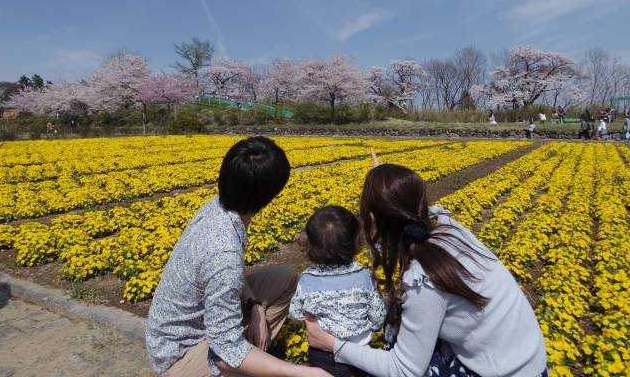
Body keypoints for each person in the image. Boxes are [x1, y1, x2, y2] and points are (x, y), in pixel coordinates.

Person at [305, 159, 548, 377]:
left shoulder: (424, 280)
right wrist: (386, 186)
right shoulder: (445, 225)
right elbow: (399, 220)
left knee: (396, 331)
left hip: (503, 371)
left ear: (377, 219)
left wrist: (334, 345)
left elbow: (404, 369)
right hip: (526, 359)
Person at [146, 136, 330, 377]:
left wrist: (255, 307)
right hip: (179, 353)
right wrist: (300, 372)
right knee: (235, 357)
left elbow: (226, 274)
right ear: (270, 195)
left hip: (196, 321)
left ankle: (254, 354)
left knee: (286, 278)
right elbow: (224, 356)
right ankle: (250, 363)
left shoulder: (219, 206)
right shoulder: (223, 253)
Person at [289, 206, 386, 377]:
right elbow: (378, 319)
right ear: (356, 242)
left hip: (321, 355)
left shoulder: (307, 280)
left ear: (309, 246)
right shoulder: (364, 277)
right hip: (359, 354)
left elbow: (295, 313)